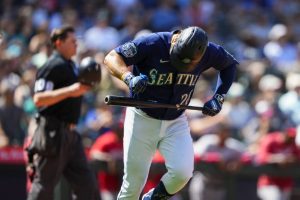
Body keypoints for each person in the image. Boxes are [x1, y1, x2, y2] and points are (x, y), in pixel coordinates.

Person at [103, 26, 238, 200]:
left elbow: (230, 65)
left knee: (183, 174)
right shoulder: (153, 43)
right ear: (175, 40)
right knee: (133, 185)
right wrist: (128, 78)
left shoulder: (207, 50)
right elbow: (112, 57)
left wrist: (219, 96)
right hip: (142, 118)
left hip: (176, 119)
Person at [26, 25, 100, 200]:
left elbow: (73, 92)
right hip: (53, 132)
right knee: (44, 186)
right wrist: (71, 91)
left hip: (71, 135)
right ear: (59, 43)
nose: (76, 45)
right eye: (72, 41)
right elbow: (38, 99)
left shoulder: (71, 65)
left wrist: (82, 89)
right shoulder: (52, 66)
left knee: (86, 185)